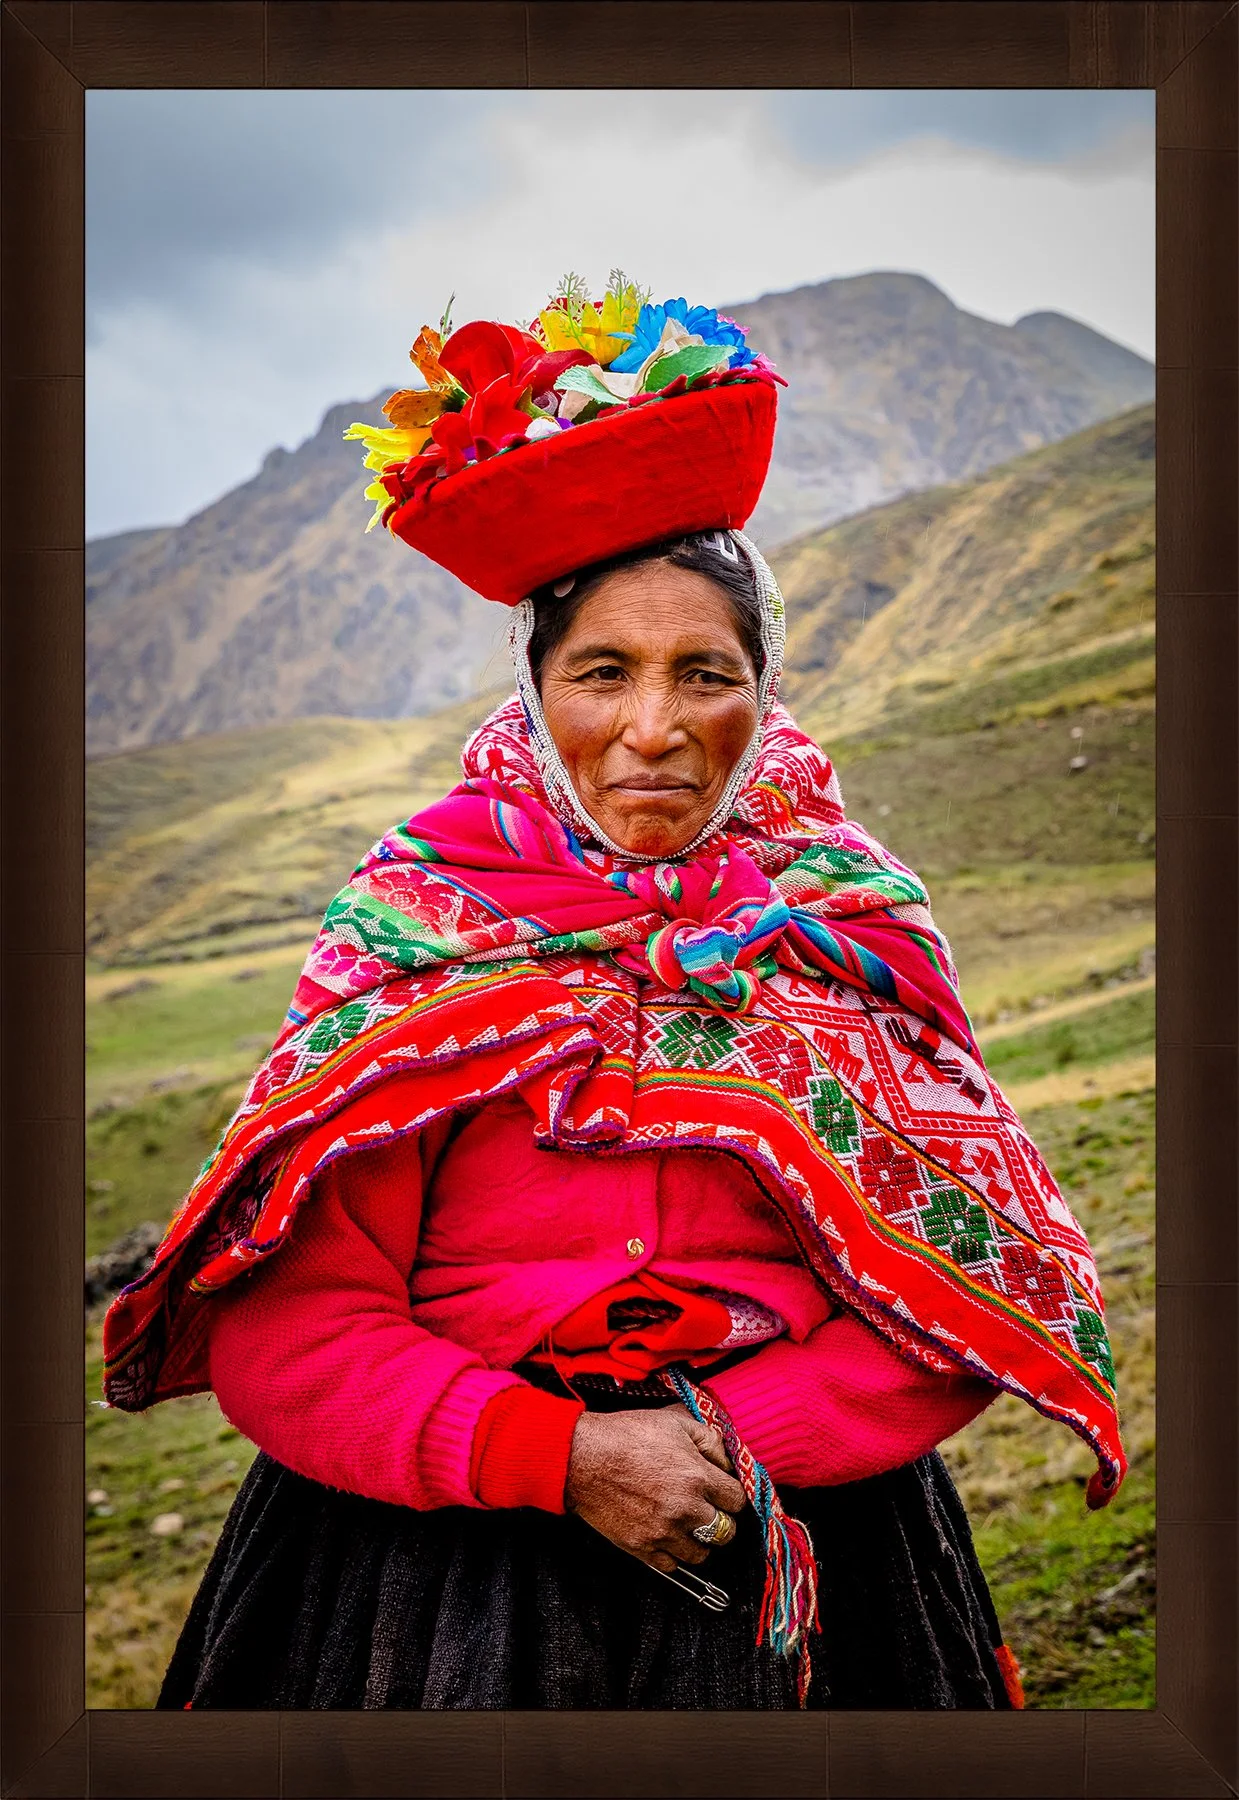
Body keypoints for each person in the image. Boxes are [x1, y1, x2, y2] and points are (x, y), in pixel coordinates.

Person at [103, 278, 1125, 1712]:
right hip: (427, 1585)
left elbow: (945, 1287)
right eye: (601, 673)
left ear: (761, 706)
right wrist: (558, 1459)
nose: (651, 728)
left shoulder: (838, 928)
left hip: (811, 1563)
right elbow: (291, 1332)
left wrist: (717, 1447)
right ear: (532, 699)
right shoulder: (417, 929)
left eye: (702, 673)